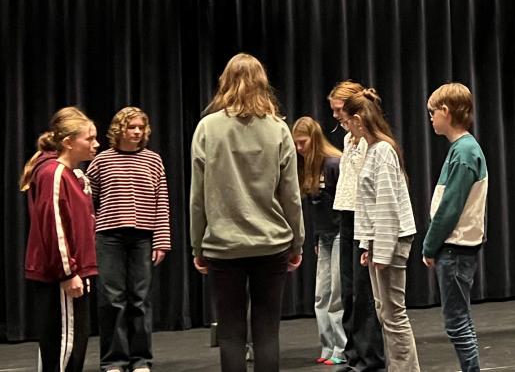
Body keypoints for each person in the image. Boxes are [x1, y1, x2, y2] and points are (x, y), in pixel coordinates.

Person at [190, 53, 304, 372]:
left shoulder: (206, 128)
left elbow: (197, 197)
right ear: (263, 84)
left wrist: (198, 245)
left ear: (224, 83)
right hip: (272, 244)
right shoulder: (278, 129)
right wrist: (297, 242)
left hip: (223, 246)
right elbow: (291, 195)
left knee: (230, 333)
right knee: (267, 333)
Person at [87, 106, 171, 372]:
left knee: (140, 298)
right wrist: (90, 233)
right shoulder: (102, 160)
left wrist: (162, 241)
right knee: (112, 299)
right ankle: (114, 360)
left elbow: (161, 203)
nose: (136, 132)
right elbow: (89, 201)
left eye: (140, 127)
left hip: (143, 237)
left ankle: (140, 359)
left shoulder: (153, 160)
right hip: (109, 236)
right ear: (119, 129)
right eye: (131, 127)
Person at [343, 88, 421, 372]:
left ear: (358, 120)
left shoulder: (383, 151)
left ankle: (406, 370)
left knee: (394, 314)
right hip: (380, 242)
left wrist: (383, 250)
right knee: (384, 312)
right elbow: (368, 206)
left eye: (346, 122)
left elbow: (387, 205)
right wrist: (367, 245)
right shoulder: (374, 150)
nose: (346, 128)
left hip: (393, 241)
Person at [21, 107, 100, 372]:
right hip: (62, 276)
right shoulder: (53, 174)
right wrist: (67, 272)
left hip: (76, 271)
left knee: (71, 345)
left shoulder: (72, 174)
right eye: (89, 139)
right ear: (68, 142)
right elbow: (54, 227)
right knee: (65, 348)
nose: (95, 144)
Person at [421, 83, 489, 372]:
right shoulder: (461, 149)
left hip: (455, 248)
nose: (431, 118)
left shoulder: (463, 152)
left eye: (432, 112)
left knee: (457, 322)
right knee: (461, 318)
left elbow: (450, 209)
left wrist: (429, 245)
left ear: (446, 112)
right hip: (456, 247)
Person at [329, 80, 387, 372]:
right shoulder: (348, 140)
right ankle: (352, 355)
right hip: (346, 217)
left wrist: (371, 234)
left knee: (364, 294)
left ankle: (370, 359)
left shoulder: (369, 141)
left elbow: (371, 189)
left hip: (363, 218)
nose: (336, 116)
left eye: (339, 109)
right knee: (348, 291)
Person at [292, 116, 346, 366]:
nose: (299, 149)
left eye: (302, 143)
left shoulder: (334, 163)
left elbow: (345, 205)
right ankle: (327, 345)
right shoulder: (307, 168)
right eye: (296, 144)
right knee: (320, 294)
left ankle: (341, 347)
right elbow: (314, 209)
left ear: (313, 139)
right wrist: (314, 237)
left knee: (336, 293)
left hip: (338, 235)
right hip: (323, 237)